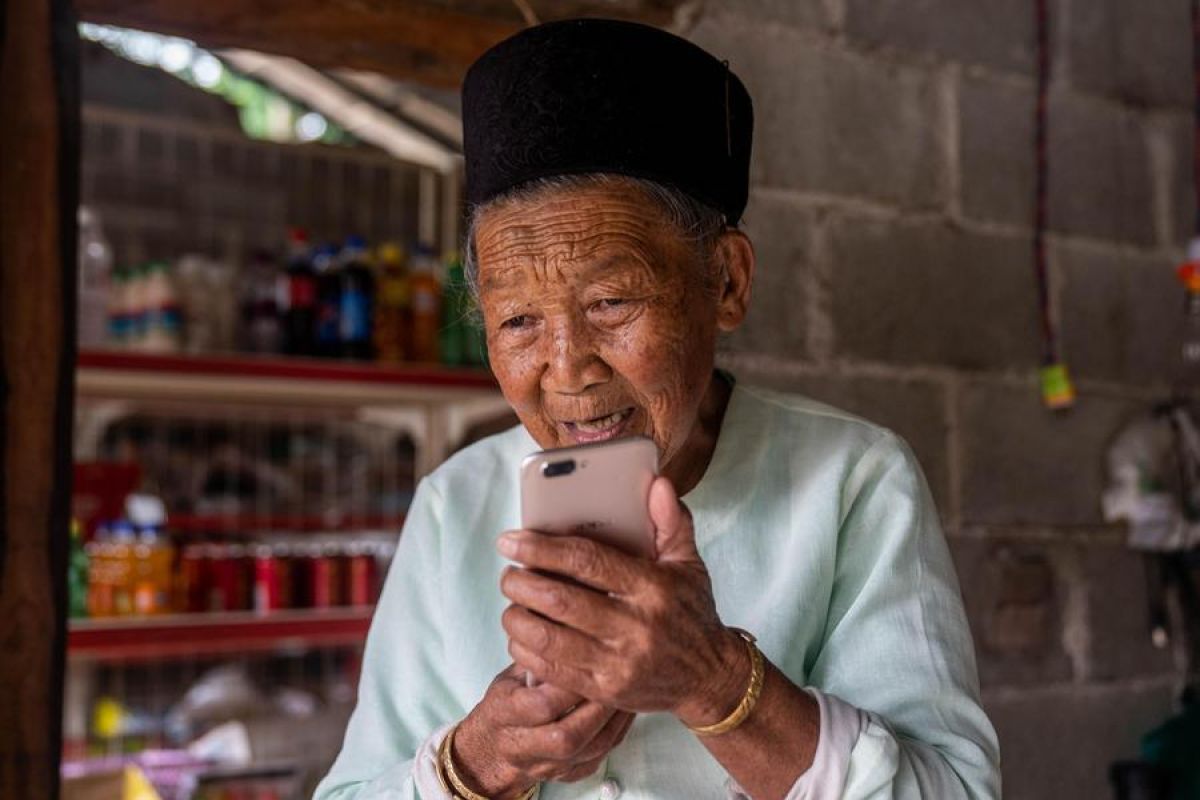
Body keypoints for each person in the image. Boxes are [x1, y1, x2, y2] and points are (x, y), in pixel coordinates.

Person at [315, 18, 1000, 800]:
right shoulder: (453, 507)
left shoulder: (853, 480)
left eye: (611, 300)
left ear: (728, 282)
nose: (567, 366)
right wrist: (479, 763)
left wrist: (711, 679)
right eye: (518, 321)